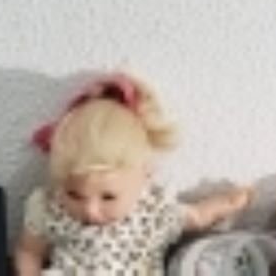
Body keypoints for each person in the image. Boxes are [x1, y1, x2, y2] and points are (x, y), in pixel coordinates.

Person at [14, 72, 251, 275]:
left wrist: (229, 203)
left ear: (144, 175)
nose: (90, 210)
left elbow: (197, 216)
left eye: (108, 197)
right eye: (74, 194)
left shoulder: (152, 210)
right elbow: (29, 251)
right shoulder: (51, 208)